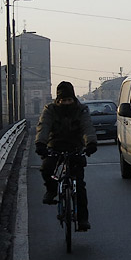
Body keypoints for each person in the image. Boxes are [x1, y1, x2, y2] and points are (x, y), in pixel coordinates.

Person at [36, 81, 97, 231]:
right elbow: (44, 126)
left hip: (75, 146)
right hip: (55, 145)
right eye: (63, 100)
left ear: (73, 98)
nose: (66, 103)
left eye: (69, 100)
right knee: (46, 169)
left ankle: (83, 219)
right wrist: (41, 144)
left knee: (80, 185)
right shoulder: (50, 110)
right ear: (58, 100)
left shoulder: (81, 110)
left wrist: (90, 144)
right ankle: (51, 190)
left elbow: (87, 127)